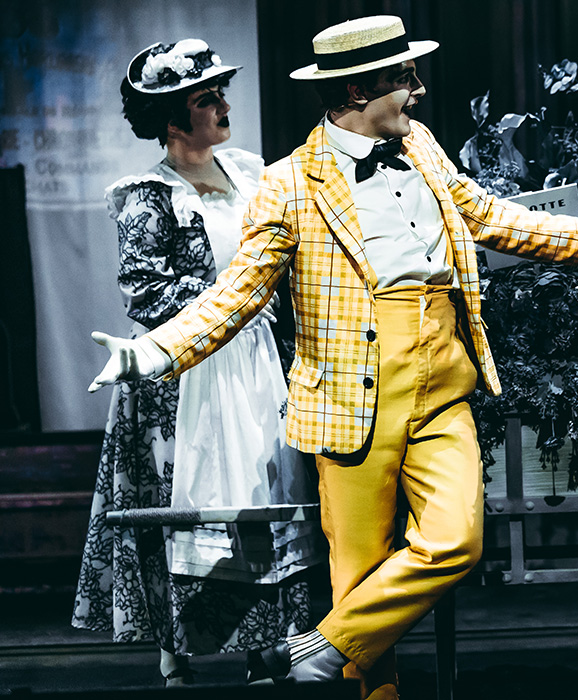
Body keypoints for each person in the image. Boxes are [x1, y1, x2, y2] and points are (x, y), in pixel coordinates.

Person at [86, 16, 578, 699]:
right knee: (359, 576)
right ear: (356, 89)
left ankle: (326, 643)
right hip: (352, 396)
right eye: (402, 79)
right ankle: (354, 667)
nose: (416, 92)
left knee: (458, 540)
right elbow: (236, 294)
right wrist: (153, 351)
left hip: (442, 378)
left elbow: (491, 217)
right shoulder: (291, 183)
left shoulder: (422, 147)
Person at [73, 39, 323, 687]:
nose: (222, 106)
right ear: (173, 119)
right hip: (187, 374)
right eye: (206, 99)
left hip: (259, 360)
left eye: (219, 94)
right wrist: (235, 300)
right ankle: (179, 648)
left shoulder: (251, 173)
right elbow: (145, 292)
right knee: (190, 504)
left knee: (270, 492)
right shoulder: (144, 196)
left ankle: (271, 650)